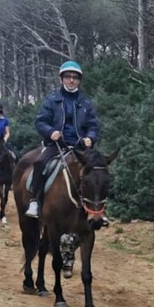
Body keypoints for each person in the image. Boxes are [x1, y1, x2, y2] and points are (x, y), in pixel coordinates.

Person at [27, 61, 100, 218]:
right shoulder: (51, 100)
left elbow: (93, 125)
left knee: (98, 170)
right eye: (68, 77)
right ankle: (34, 200)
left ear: (79, 80)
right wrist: (51, 131)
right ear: (61, 79)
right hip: (56, 145)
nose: (71, 80)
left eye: (75, 77)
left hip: (80, 147)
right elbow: (40, 122)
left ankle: (99, 209)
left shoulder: (86, 103)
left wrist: (90, 138)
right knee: (40, 163)